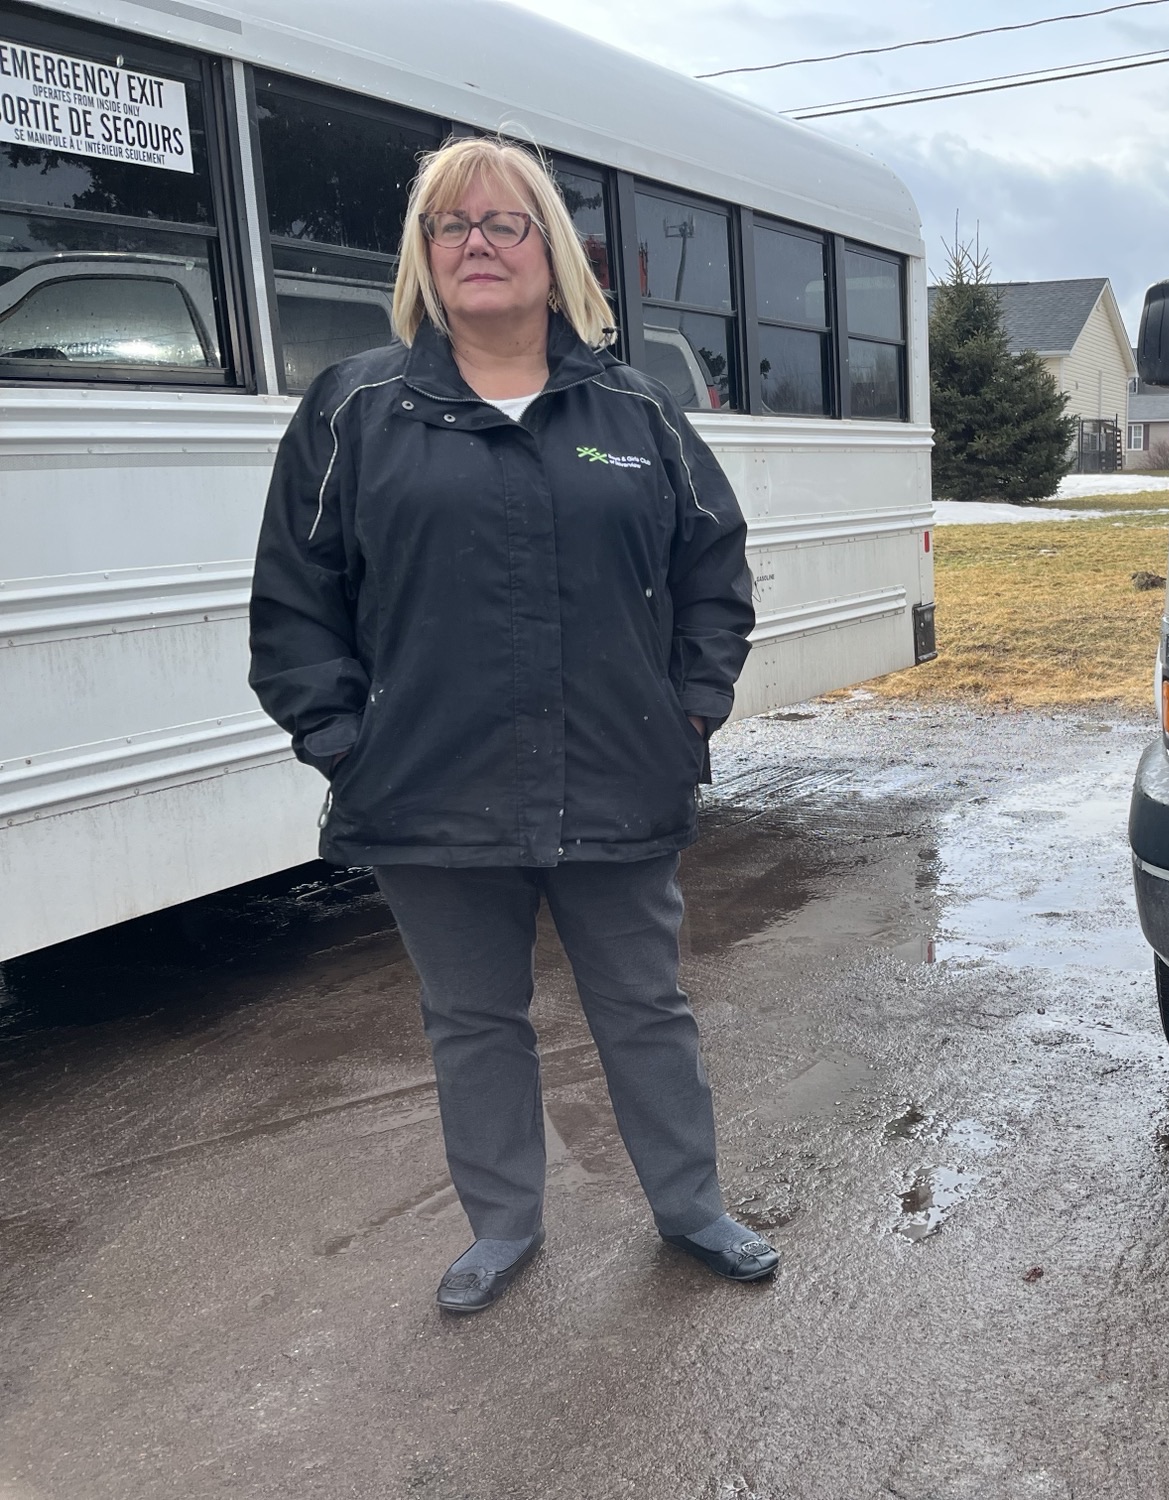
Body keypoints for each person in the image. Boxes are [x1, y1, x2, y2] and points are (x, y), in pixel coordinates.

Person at [248, 136, 776, 1313]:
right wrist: (347, 740)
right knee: (471, 1019)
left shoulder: (633, 409)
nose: (475, 246)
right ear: (424, 258)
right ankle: (502, 1225)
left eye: (502, 225)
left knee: (644, 1009)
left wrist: (687, 712)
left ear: (552, 254)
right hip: (425, 790)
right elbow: (295, 600)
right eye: (450, 228)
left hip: (616, 779)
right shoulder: (355, 410)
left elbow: (713, 570)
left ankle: (690, 1208)